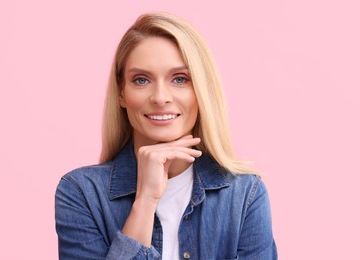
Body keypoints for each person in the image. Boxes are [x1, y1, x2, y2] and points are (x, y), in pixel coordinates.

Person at [55, 12, 277, 259]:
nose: (160, 97)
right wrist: (145, 200)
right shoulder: (82, 193)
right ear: (121, 93)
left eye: (180, 79)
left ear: (201, 89)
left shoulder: (245, 194)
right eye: (141, 80)